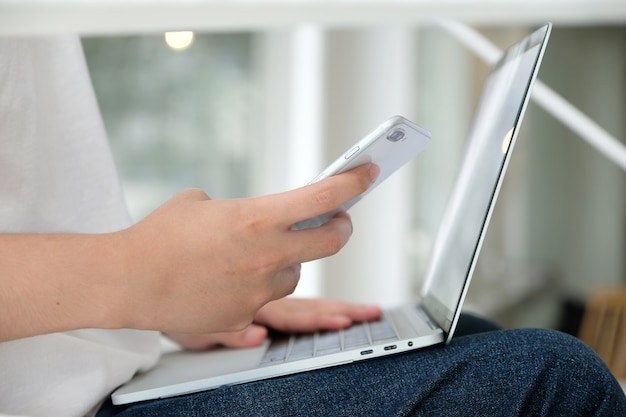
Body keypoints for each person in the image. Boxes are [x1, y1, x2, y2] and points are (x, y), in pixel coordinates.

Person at [0, 37, 624, 417]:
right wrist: (133, 277)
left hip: (94, 367)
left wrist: (169, 309)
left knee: (472, 336)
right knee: (549, 378)